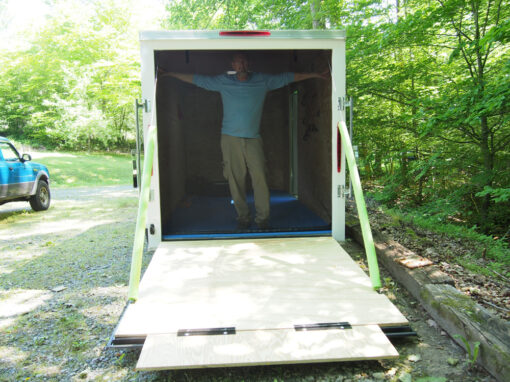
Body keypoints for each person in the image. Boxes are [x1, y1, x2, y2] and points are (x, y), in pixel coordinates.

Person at [160, 53, 327, 230]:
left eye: (245, 61)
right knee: (235, 179)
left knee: (260, 178)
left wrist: (316, 75)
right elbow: (196, 79)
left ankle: (263, 219)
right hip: (229, 138)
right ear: (233, 64)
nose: (242, 65)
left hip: (253, 139)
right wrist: (169, 73)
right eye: (238, 62)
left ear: (249, 63)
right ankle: (243, 217)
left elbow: (287, 77)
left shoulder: (263, 81)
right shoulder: (223, 81)